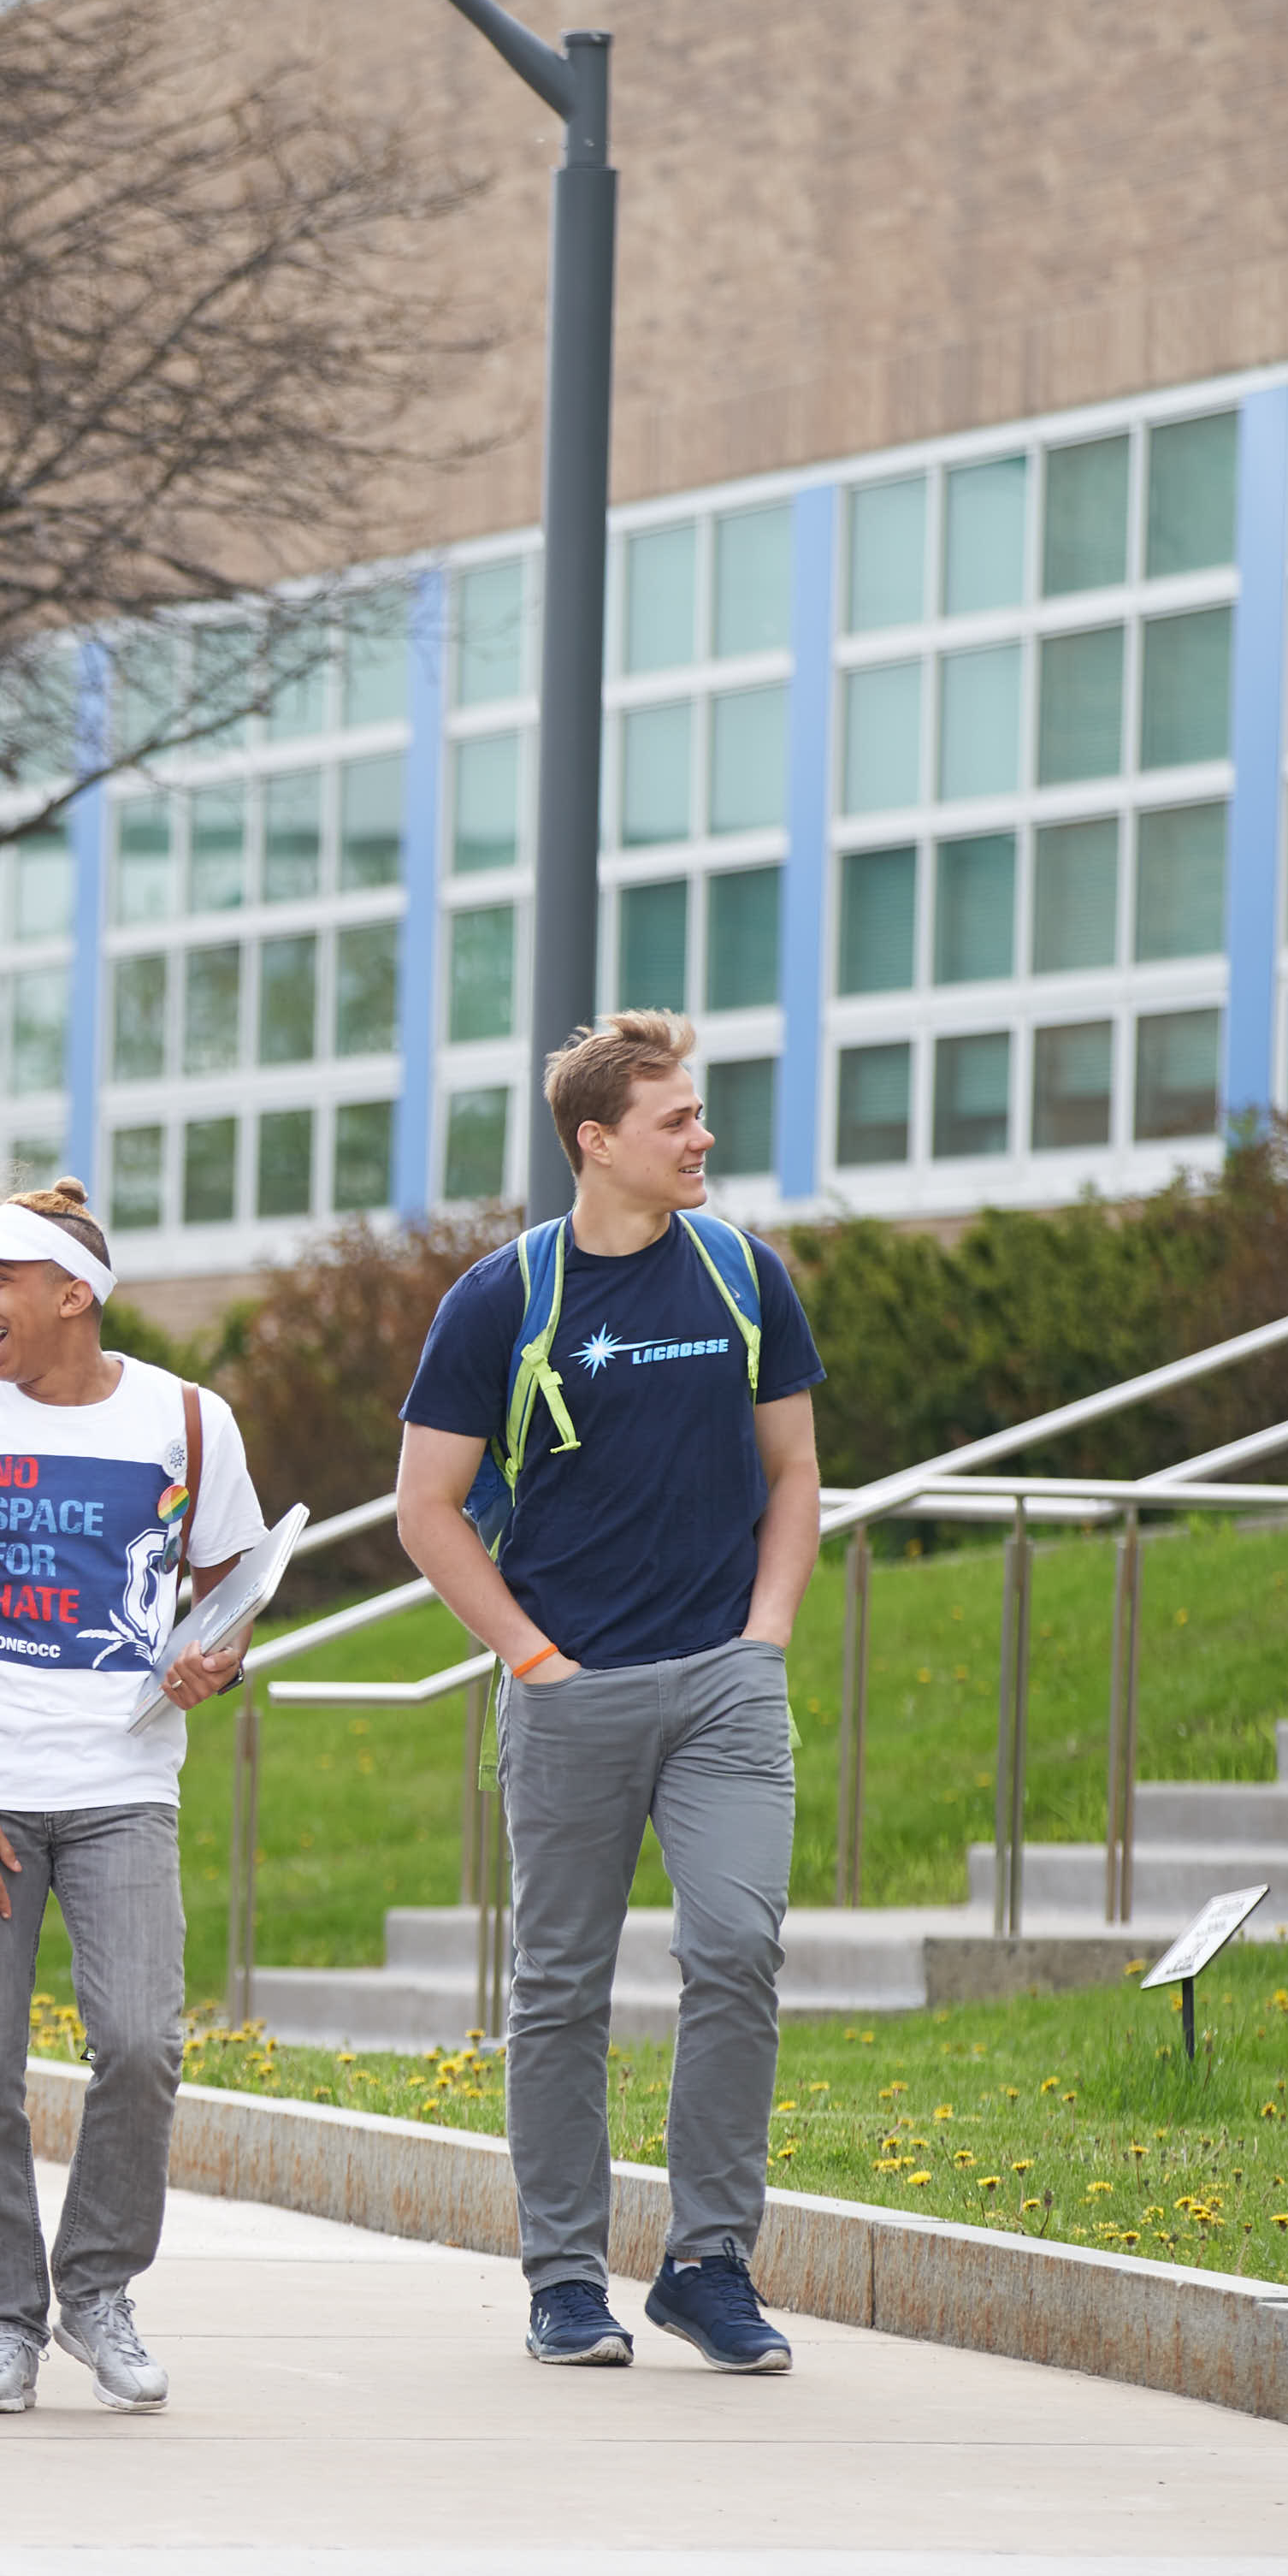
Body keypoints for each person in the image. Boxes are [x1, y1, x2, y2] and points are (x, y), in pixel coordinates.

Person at [390, 1010, 826, 2375]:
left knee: (738, 1952)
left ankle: (708, 2263)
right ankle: (566, 2279)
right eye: (677, 1121)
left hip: (722, 1688)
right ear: (597, 1141)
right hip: (570, 1688)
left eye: (698, 1116)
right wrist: (533, 1658)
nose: (705, 1138)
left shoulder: (743, 1277)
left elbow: (797, 1473)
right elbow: (427, 1508)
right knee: (562, 1988)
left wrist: (764, 1636)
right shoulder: (505, 1297)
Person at [0, 1181, 259, 2416]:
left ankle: (95, 2293)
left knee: (142, 2044)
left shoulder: (188, 1421)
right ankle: (3, 2324)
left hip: (123, 1786)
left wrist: (217, 1655)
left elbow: (233, 1580)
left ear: (71, 1294)